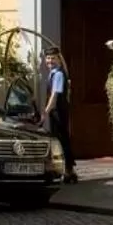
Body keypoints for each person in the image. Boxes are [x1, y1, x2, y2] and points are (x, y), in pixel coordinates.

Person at [43, 50, 77, 181]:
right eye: (47, 58)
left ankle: (69, 170)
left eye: (52, 58)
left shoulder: (58, 74)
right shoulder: (52, 73)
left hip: (59, 112)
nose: (49, 61)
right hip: (55, 112)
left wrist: (45, 112)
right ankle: (65, 170)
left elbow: (54, 96)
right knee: (59, 139)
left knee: (61, 140)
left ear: (58, 59)